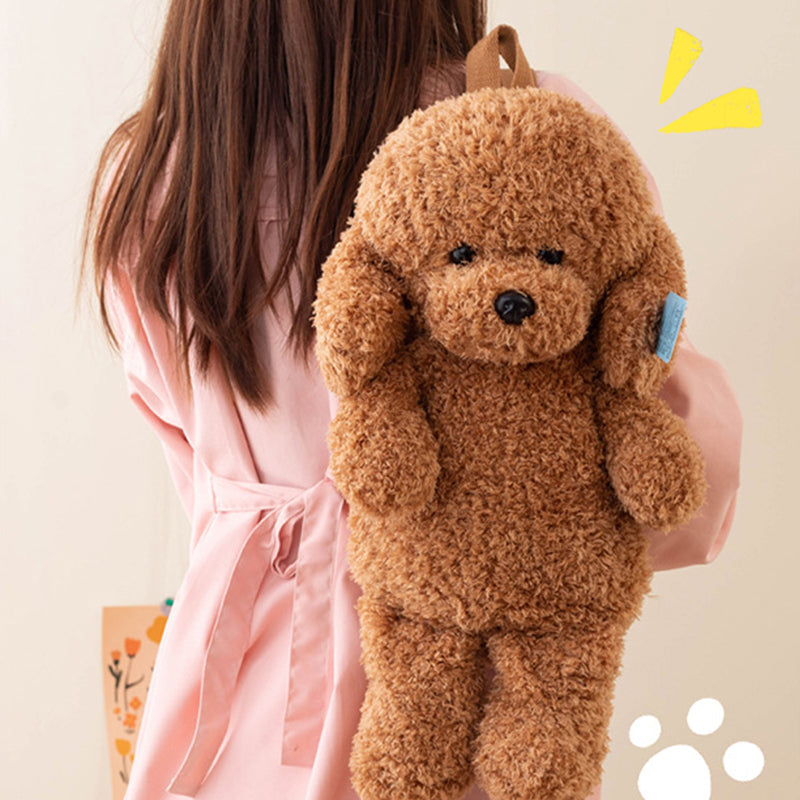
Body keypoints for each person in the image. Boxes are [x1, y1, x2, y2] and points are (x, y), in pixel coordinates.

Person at [79, 2, 742, 799]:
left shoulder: (152, 173)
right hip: (480, 682)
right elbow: (679, 470)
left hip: (236, 693)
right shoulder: (524, 124)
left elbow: (197, 477)